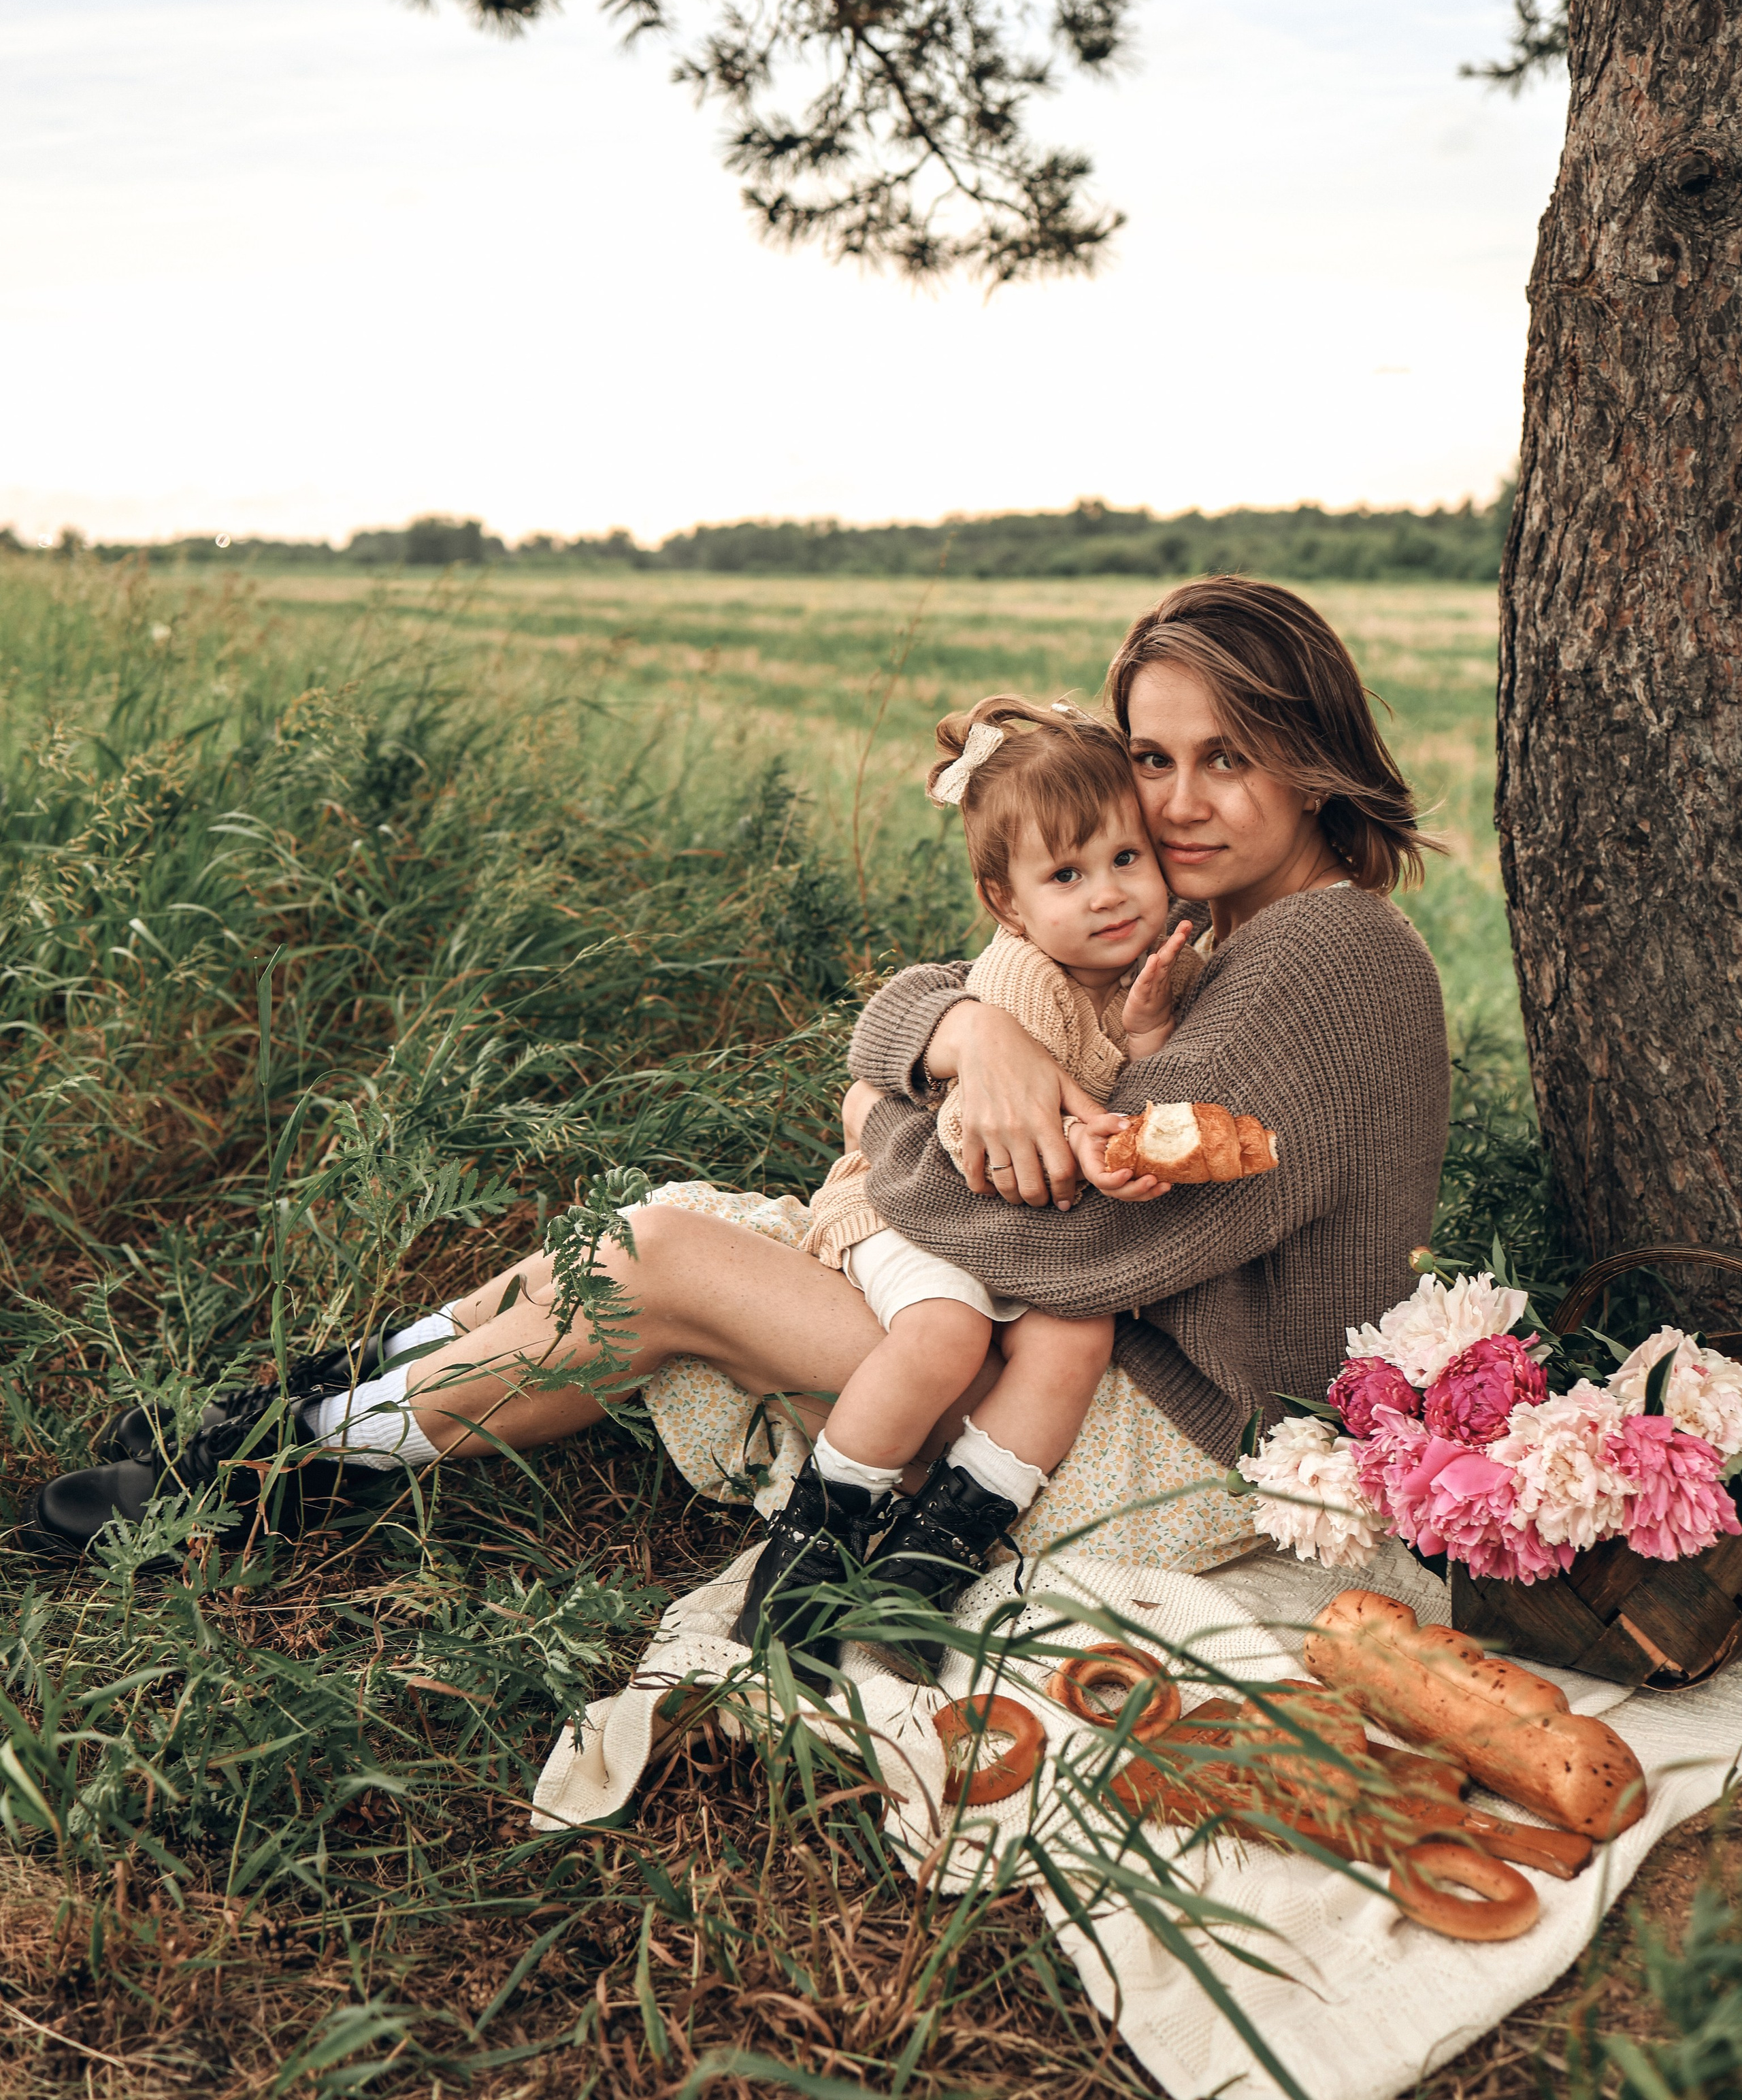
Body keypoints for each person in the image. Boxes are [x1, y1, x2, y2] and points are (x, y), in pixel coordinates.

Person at [23, 578, 1451, 1643]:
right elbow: (908, 1011)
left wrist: (900, 1118)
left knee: (666, 1264)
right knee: (660, 1226)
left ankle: (271, 1474)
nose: (1181, 800)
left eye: (1227, 754)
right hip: (1076, 1349)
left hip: (1157, 1427)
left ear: (1310, 750)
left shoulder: (1324, 957)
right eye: (1152, 757)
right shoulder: (1196, 926)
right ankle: (317, 1407)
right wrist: (956, 1036)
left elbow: (1090, 1252)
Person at [734, 695, 1196, 1674]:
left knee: (1078, 1335)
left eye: (1127, 859)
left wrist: (1149, 1030)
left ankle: (931, 1552)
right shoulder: (1024, 980)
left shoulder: (1128, 972)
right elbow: (968, 1144)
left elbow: (1120, 1083)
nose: (1110, 892)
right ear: (1010, 904)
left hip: (1021, 1235)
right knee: (944, 1332)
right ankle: (815, 1542)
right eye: (1067, 874)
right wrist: (1096, 1153)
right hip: (916, 1208)